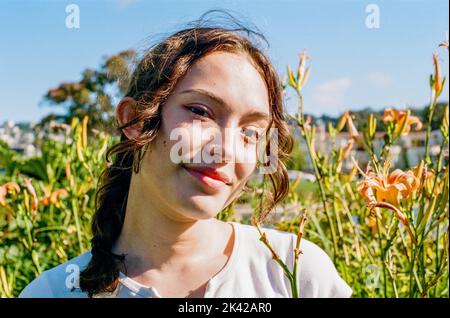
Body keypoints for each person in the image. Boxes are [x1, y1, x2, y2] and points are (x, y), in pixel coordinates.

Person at [19, 11, 352, 298]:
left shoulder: (296, 272)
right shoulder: (53, 291)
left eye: (251, 132)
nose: (226, 149)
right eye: (200, 111)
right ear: (134, 120)